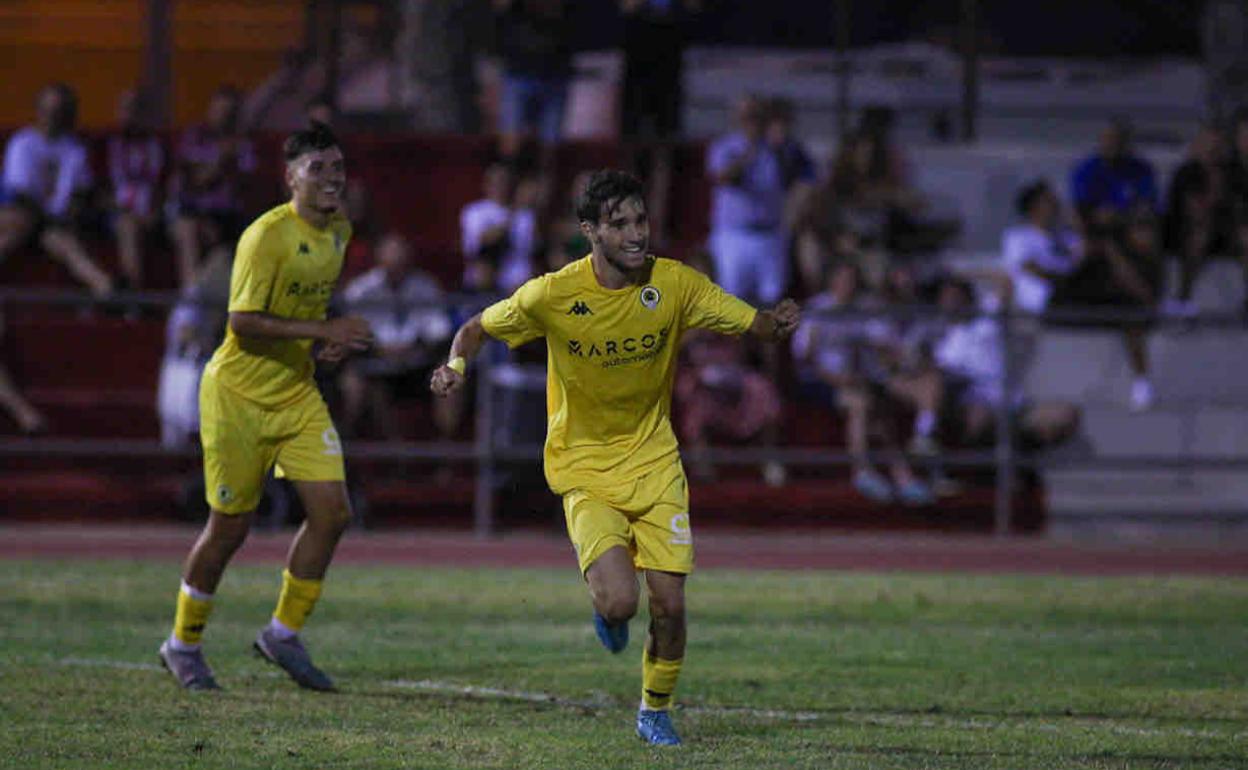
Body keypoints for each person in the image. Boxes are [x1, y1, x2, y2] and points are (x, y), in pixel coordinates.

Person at [431, 169, 800, 745]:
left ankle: (654, 710)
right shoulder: (553, 293)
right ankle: (606, 614)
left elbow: (754, 323)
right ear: (590, 232)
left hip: (654, 463)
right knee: (623, 601)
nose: (635, 234)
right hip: (583, 469)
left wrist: (776, 323)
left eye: (641, 221)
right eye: (619, 223)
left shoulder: (675, 284)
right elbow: (475, 328)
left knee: (671, 605)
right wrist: (454, 367)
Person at [157, 122, 375, 692]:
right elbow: (242, 322)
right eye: (316, 169)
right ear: (290, 178)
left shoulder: (340, 231)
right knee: (230, 528)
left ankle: (281, 634)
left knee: (333, 513)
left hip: (295, 391)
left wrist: (320, 343)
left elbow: (302, 311)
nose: (330, 179)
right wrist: (321, 327)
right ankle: (182, 643)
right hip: (238, 396)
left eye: (336, 167)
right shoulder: (265, 236)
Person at [791, 261, 934, 505]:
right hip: (821, 381)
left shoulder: (864, 310)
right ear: (832, 281)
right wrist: (837, 379)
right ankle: (862, 472)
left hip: (859, 380)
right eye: (843, 279)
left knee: (881, 411)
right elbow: (804, 360)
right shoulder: (816, 310)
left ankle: (903, 476)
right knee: (861, 404)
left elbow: (886, 345)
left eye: (852, 280)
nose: (849, 285)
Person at [338, 232, 457, 441]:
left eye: (401, 262)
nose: (396, 268)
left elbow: (440, 331)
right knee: (352, 382)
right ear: (379, 260)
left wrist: (414, 347)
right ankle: (348, 451)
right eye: (391, 262)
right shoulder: (361, 290)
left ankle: (446, 454)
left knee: (450, 376)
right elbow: (349, 332)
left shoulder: (426, 287)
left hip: (417, 365)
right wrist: (378, 349)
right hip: (376, 365)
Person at [0, 82, 114, 298]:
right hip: (22, 215)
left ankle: (108, 290)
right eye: (48, 110)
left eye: (59, 112)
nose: (52, 117)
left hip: (52, 225)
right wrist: (51, 218)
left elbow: (77, 194)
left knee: (67, 246)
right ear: (38, 110)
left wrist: (67, 215)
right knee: (16, 226)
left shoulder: (74, 150)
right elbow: (20, 195)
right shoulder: (22, 143)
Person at [706, 95, 815, 306]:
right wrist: (752, 150)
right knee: (732, 300)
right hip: (734, 234)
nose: (754, 123)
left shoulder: (779, 149)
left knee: (771, 300)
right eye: (748, 118)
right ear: (738, 119)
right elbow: (725, 178)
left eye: (758, 118)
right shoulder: (726, 147)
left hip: (770, 234)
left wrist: (779, 149)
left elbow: (806, 179)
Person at [167, 85, 257, 289]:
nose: (223, 117)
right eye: (220, 111)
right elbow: (193, 181)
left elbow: (245, 186)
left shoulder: (243, 144)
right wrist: (221, 160)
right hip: (192, 212)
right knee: (188, 228)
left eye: (229, 113)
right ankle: (190, 298)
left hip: (228, 218)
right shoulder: (194, 138)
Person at [107, 88, 165, 290]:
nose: (130, 115)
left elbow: (165, 186)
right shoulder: (107, 145)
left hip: (152, 212)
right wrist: (117, 208)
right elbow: (97, 190)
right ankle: (133, 294)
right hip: (114, 213)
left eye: (136, 109)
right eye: (126, 109)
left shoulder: (157, 146)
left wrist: (155, 211)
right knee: (128, 225)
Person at [459, 161, 537, 293]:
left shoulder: (526, 216)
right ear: (485, 184)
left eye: (504, 181)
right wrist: (513, 215)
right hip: (483, 281)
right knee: (482, 271)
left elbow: (526, 250)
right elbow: (484, 240)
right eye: (495, 181)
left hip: (516, 282)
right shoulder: (474, 211)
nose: (500, 186)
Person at [1070, 118, 1158, 229]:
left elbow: (1147, 205)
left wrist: (1120, 216)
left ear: (1126, 143)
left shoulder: (1142, 170)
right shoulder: (1085, 170)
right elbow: (1081, 207)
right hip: (1095, 227)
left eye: (1118, 139)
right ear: (1101, 140)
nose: (1113, 144)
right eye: (1109, 138)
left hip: (1130, 226)